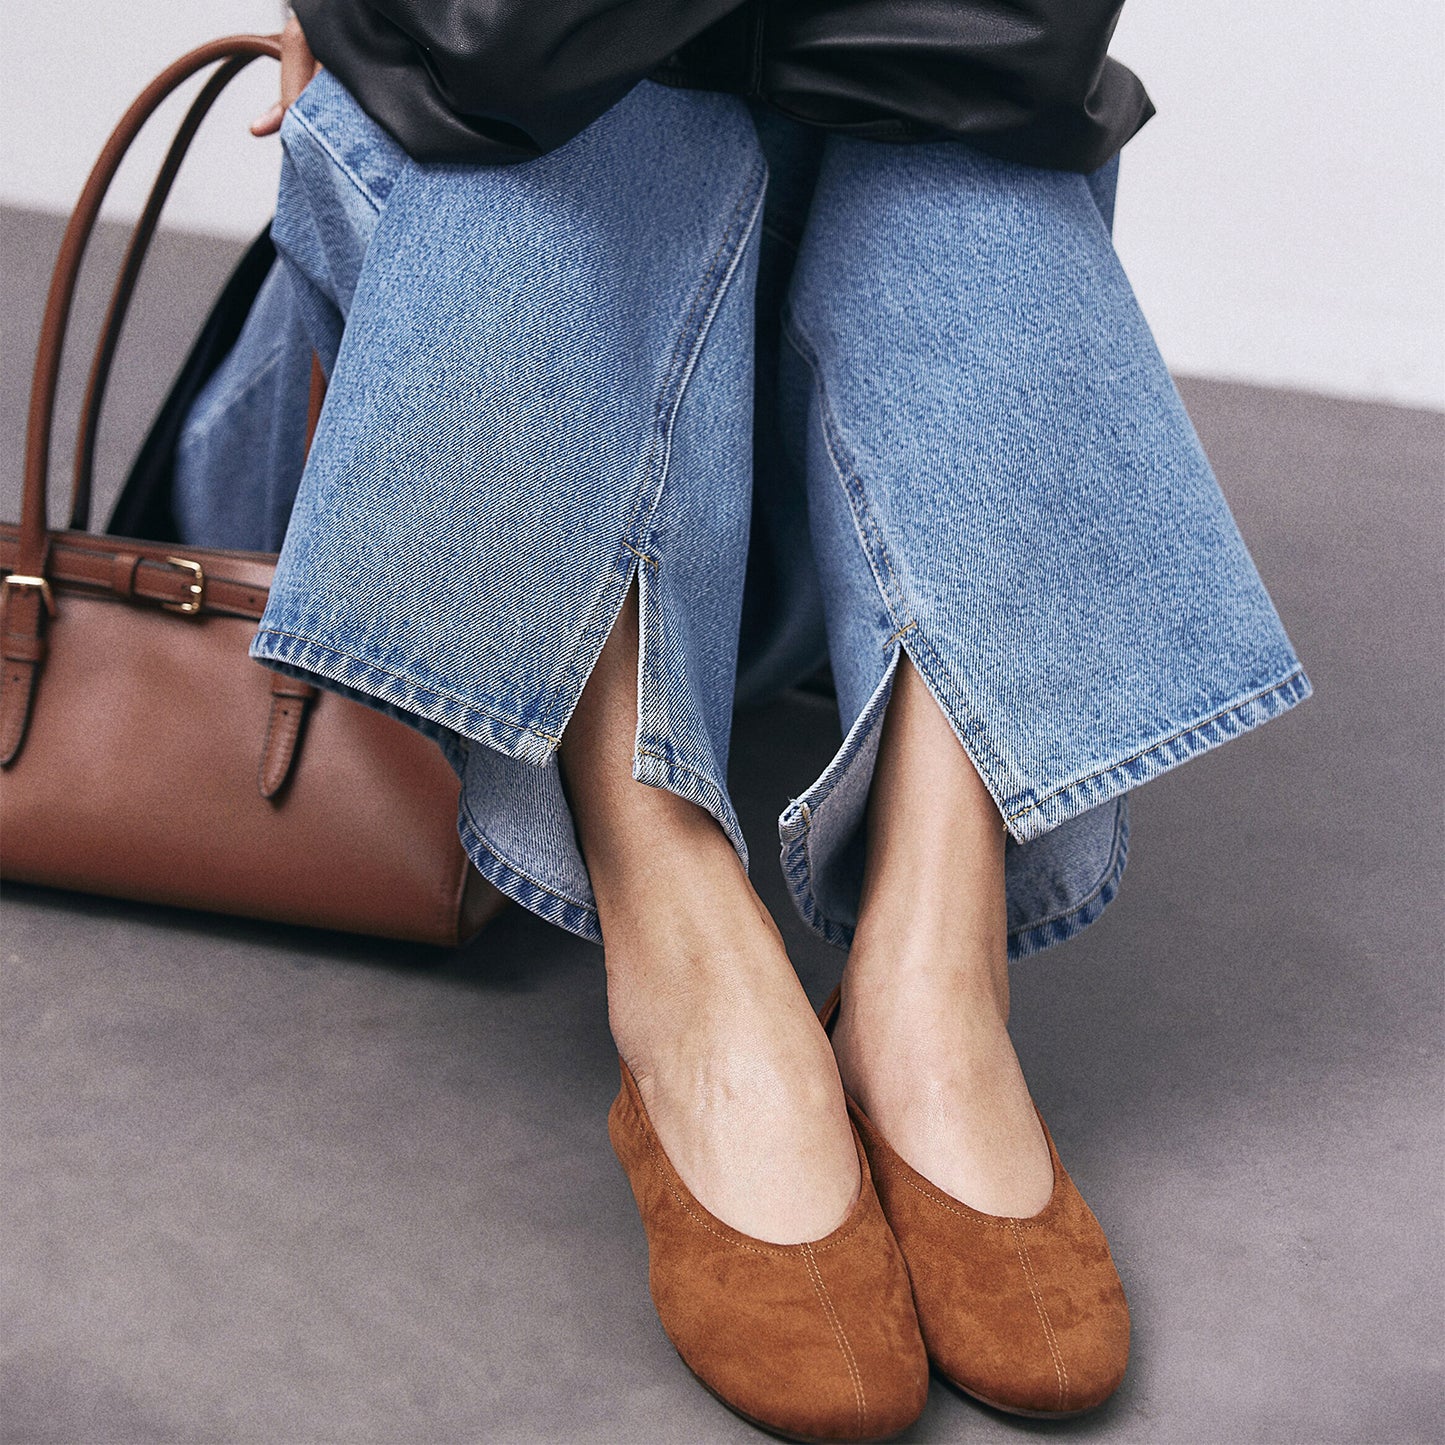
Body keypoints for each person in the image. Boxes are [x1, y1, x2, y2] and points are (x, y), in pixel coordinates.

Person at [190, 6, 1313, 1439]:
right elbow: (497, 54)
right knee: (597, 124)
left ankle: (930, 966)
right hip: (418, 428)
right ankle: (683, 940)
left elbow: (1009, 47)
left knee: (976, 165)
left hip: (766, 483)